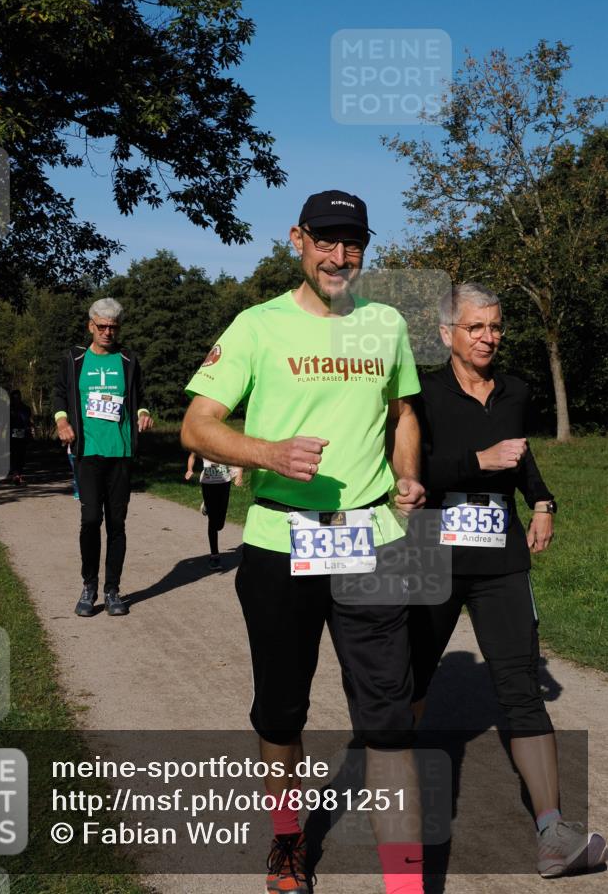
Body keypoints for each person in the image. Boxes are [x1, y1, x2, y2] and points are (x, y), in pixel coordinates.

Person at [181, 190, 427, 894]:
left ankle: (405, 882)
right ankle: (287, 838)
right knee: (282, 710)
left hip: (368, 538)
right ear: (297, 240)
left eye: (354, 243)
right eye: (327, 240)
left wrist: (407, 475)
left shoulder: (385, 325)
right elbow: (199, 425)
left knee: (386, 720)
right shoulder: (258, 326)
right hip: (279, 540)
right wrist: (267, 452)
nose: (340, 255)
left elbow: (403, 411)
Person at [410, 282, 607, 878]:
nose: (489, 337)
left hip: (499, 555)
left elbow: (521, 457)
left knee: (519, 683)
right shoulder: (418, 392)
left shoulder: (516, 389)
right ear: (447, 333)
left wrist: (542, 502)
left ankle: (553, 831)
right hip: (430, 552)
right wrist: (477, 462)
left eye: (495, 327)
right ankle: (398, 808)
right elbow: (410, 469)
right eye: (476, 327)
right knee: (407, 678)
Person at [53, 298, 153, 617]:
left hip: (120, 452)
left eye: (113, 326)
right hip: (88, 452)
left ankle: (112, 590)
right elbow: (58, 392)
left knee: (117, 523)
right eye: (102, 326)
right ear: (90, 326)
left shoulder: (127, 359)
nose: (107, 332)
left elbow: (140, 395)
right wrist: (62, 420)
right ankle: (88, 586)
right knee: (91, 519)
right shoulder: (75, 359)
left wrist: (143, 412)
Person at [184, 452, 243, 570]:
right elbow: (192, 456)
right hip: (208, 483)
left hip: (224, 483)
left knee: (219, 524)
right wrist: (190, 469)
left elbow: (238, 459)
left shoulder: (225, 445)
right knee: (212, 521)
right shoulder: (203, 444)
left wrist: (239, 476)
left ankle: (207, 505)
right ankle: (214, 556)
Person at [8, 390, 34, 486]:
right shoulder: (9, 409)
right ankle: (15, 475)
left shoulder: (26, 408)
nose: (17, 399)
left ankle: (19, 474)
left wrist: (31, 430)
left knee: (21, 455)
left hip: (23, 434)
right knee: (14, 454)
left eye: (18, 397)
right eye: (14, 398)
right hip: (12, 434)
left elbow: (29, 421)